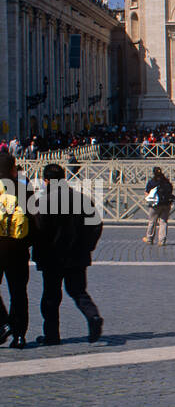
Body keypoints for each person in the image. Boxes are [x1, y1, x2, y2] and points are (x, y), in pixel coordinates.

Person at [31, 164, 103, 346]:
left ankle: (51, 335)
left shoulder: (43, 202)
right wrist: (87, 246)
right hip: (77, 256)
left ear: (46, 181)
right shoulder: (81, 199)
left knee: (50, 296)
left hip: (51, 258)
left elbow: (38, 231)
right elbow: (96, 225)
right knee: (78, 292)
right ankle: (93, 316)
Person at [0, 150, 31, 349]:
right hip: (18, 249)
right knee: (19, 292)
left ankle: (3, 322)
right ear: (13, 169)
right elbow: (36, 222)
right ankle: (19, 335)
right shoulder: (22, 190)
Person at [142, 166, 175, 246]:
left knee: (152, 222)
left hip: (155, 205)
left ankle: (149, 239)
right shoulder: (167, 182)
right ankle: (162, 240)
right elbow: (171, 191)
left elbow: (147, 193)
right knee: (163, 222)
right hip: (166, 204)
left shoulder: (152, 182)